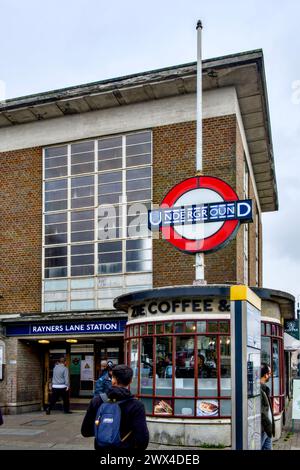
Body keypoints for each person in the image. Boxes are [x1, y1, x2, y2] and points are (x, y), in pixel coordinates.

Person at [81, 364, 149, 450]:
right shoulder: (136, 405)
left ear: (113, 380)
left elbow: (85, 431)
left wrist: (104, 431)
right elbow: (142, 439)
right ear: (131, 381)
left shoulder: (97, 401)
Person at [260, 363, 275, 450]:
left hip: (267, 430)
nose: (270, 375)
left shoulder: (264, 389)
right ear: (265, 375)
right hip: (262, 430)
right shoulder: (259, 390)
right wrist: (268, 428)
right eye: (269, 373)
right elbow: (262, 413)